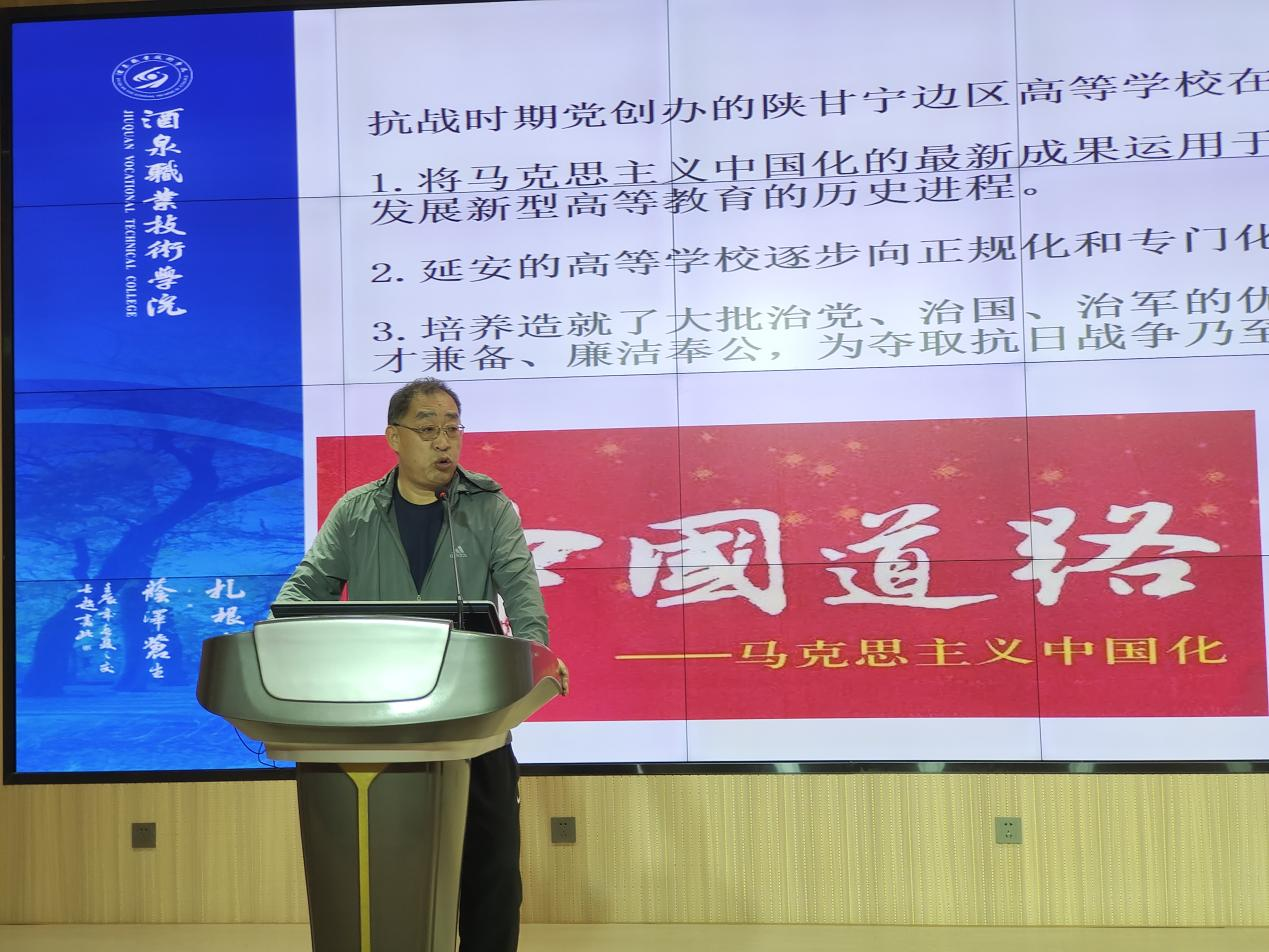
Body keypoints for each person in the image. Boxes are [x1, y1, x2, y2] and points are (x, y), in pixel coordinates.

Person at [276, 376, 566, 952]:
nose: (443, 441)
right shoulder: (356, 512)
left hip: (474, 722)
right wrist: (285, 646)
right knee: (394, 875)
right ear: (394, 437)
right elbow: (302, 594)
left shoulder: (489, 509)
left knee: (489, 876)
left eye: (453, 428)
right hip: (380, 728)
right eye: (428, 428)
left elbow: (524, 599)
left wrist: (534, 661)